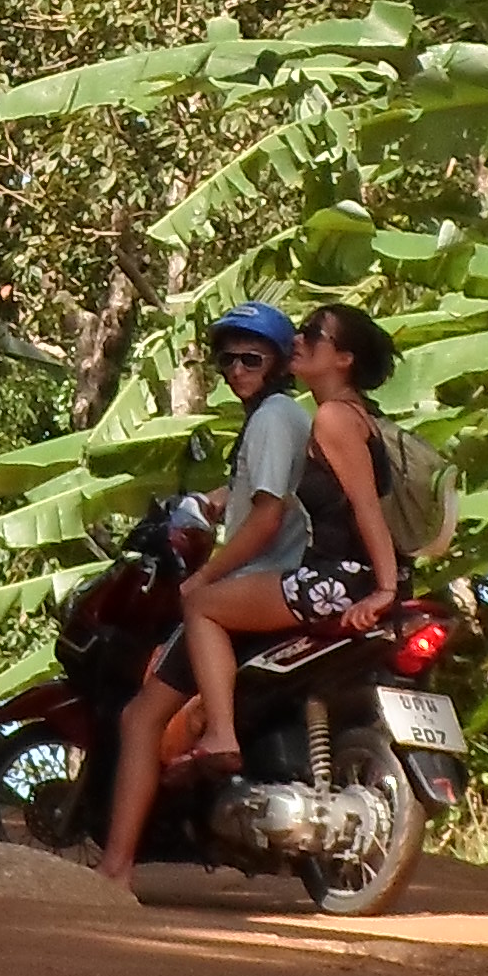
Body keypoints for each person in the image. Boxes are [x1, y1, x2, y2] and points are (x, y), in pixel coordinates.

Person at [93, 306, 307, 885]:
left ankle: (115, 869)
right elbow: (262, 491)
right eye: (227, 360)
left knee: (141, 716)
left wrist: (206, 576)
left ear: (280, 363)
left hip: (260, 580)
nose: (236, 370)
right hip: (284, 579)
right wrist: (213, 500)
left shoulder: (271, 419)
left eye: (251, 359)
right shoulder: (284, 417)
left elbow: (266, 517)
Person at [174, 303, 399, 774]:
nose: (298, 340)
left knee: (201, 605)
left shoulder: (334, 418)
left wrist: (385, 589)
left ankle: (221, 735)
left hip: (337, 578)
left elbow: (366, 508)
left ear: (344, 359)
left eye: (313, 334)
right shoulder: (347, 415)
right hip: (343, 575)